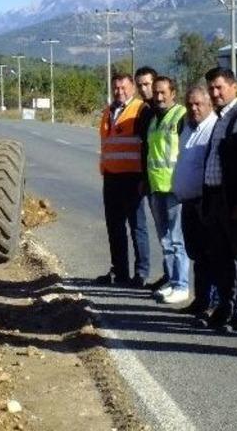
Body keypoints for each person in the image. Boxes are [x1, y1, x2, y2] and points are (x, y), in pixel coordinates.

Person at [197, 67, 237, 331]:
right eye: (211, 88)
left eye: (219, 87)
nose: (215, 92)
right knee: (221, 259)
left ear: (234, 87)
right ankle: (226, 306)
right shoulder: (219, 117)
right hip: (213, 199)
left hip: (235, 202)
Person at [95, 74, 150, 287]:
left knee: (137, 227)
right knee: (114, 227)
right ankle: (120, 273)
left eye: (123, 87)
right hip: (111, 177)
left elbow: (145, 145)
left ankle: (141, 273)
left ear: (132, 88)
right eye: (116, 88)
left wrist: (144, 177)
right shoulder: (109, 111)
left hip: (132, 177)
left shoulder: (140, 110)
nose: (119, 91)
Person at [171, 85, 218, 311]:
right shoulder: (188, 127)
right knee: (197, 253)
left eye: (198, 104)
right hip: (188, 202)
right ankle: (201, 300)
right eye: (189, 104)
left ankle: (214, 301)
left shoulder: (213, 128)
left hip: (205, 202)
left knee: (211, 253)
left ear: (209, 104)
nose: (193, 108)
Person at [143, 77, 190, 304]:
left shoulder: (181, 116)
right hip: (156, 186)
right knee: (165, 240)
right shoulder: (154, 119)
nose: (159, 97)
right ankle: (172, 281)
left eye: (163, 93)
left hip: (174, 187)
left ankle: (182, 285)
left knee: (176, 239)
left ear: (173, 93)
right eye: (156, 93)